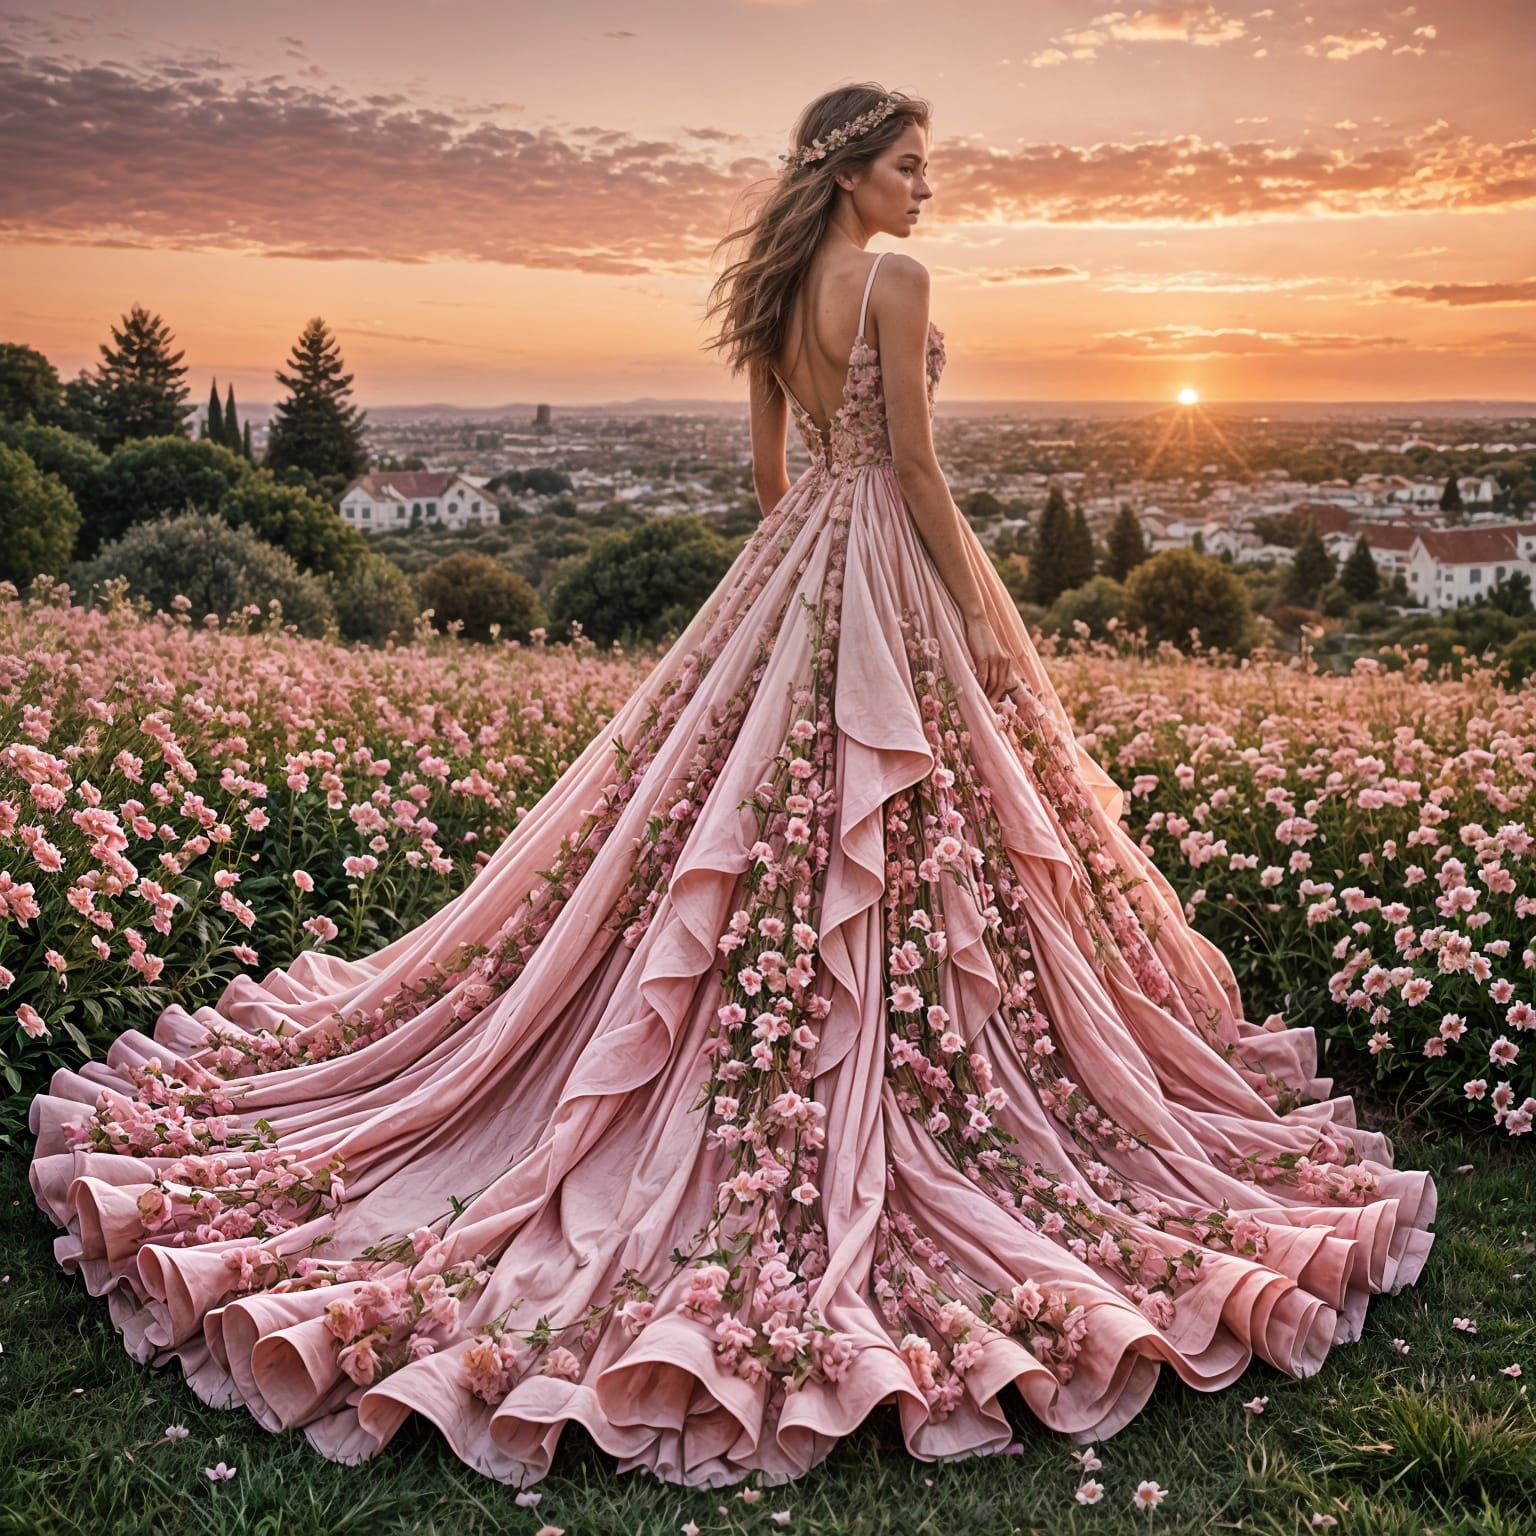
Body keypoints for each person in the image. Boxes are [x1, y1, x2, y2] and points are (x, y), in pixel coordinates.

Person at [28, 82, 1436, 1491]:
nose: (924, 190)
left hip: (801, 568)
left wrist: (803, 598)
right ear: (850, 176)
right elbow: (925, 473)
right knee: (907, 830)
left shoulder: (773, 295)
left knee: (726, 827)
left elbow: (775, 478)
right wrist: (987, 624)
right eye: (908, 166)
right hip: (882, 556)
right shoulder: (893, 275)